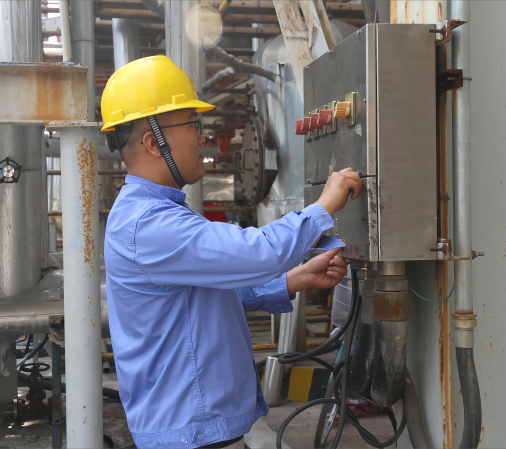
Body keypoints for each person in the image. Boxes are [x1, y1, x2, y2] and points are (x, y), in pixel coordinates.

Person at [101, 56, 362, 449]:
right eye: (193, 125)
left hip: (196, 430)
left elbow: (203, 298)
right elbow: (256, 253)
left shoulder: (156, 213)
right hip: (191, 433)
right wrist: (322, 206)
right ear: (154, 143)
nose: (203, 138)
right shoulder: (148, 223)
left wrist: (295, 279)